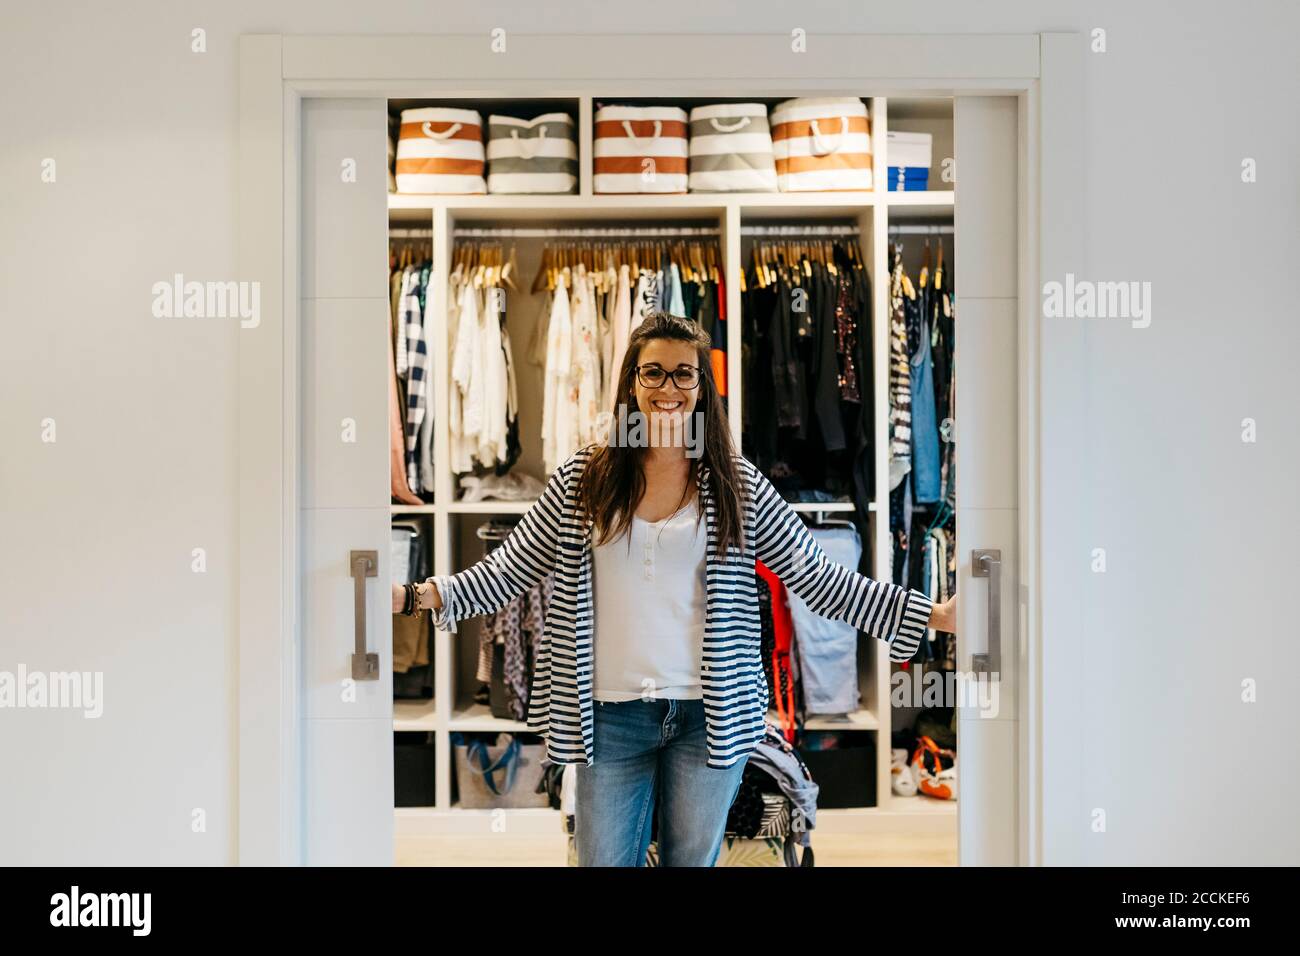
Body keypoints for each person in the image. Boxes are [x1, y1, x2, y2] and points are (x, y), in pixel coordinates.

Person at [394, 311, 956, 866]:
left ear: (702, 386)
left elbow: (821, 580)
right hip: (608, 718)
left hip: (708, 717)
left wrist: (933, 614)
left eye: (684, 373)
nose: (668, 387)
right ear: (632, 383)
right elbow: (508, 570)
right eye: (653, 372)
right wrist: (415, 597)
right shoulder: (583, 479)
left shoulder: (736, 484)